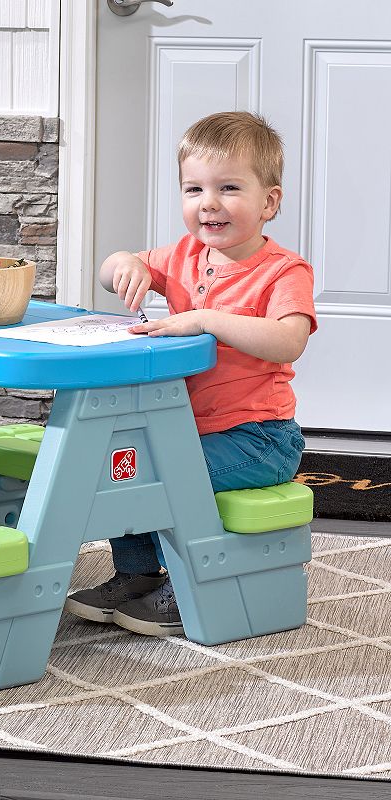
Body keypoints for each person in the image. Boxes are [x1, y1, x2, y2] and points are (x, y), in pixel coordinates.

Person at [65, 111, 317, 637]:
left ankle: (186, 586)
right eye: (194, 188)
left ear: (269, 201)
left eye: (229, 188)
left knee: (160, 473)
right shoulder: (183, 256)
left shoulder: (282, 271)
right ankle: (134, 575)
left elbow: (289, 338)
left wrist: (205, 320)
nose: (209, 203)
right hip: (184, 427)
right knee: (120, 466)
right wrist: (126, 265)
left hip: (257, 438)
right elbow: (112, 268)